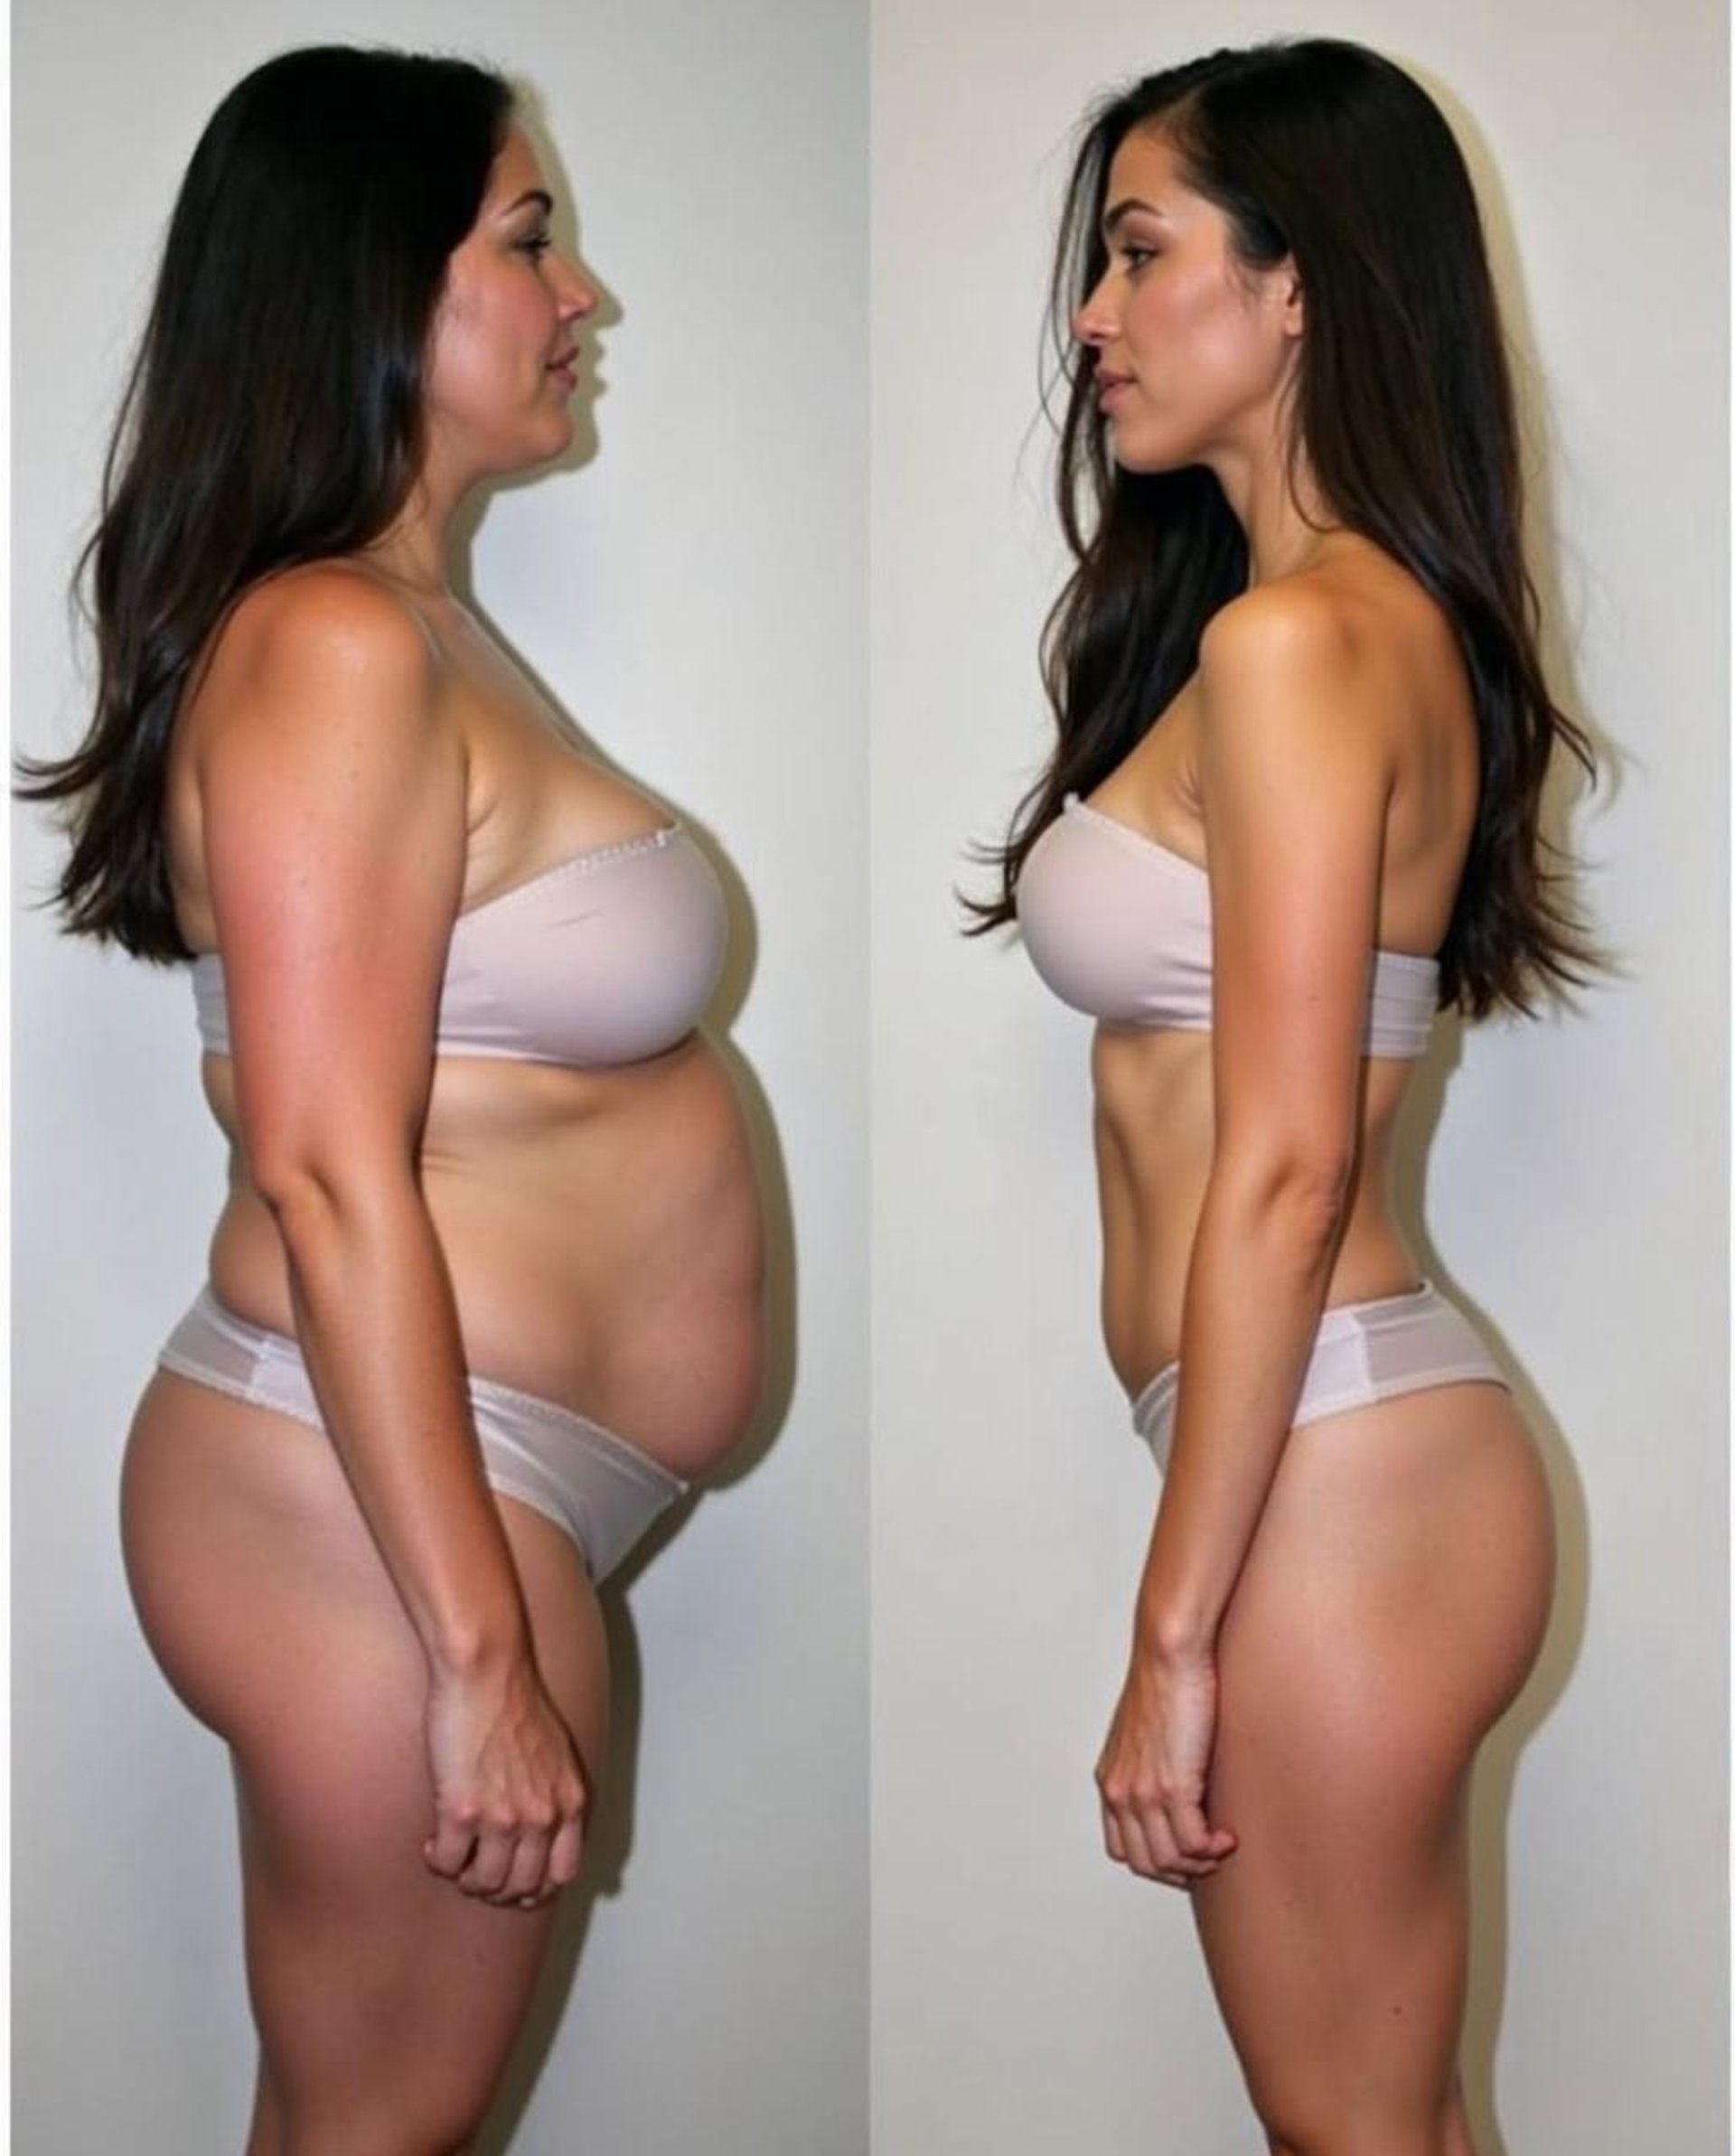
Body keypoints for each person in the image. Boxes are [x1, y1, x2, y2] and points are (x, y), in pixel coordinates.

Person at [17, 44, 765, 2154]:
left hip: (423, 1483)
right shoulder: (337, 642)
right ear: (371, 283)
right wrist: (476, 1651)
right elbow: (326, 1168)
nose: (581, 293)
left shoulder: (414, 630)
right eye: (530, 239)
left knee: (347, 2118)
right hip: (384, 1505)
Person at [969, 38, 1596, 2155]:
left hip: (1336, 1480)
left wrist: (1173, 1632)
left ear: (1300, 281)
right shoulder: (1330, 624)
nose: (1095, 316)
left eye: (1141, 254)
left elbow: (1291, 1165)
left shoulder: (1300, 647)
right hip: (1352, 1457)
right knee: (1395, 2120)